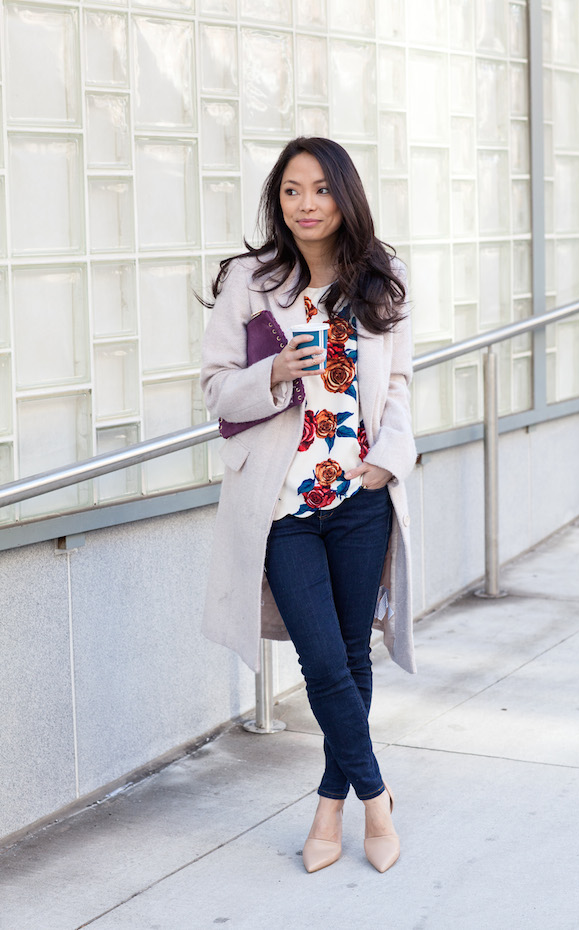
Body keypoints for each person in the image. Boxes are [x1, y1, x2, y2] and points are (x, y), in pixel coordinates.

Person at [199, 136, 416, 874]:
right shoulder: (249, 282)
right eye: (292, 190)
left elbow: (402, 385)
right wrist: (270, 373)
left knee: (351, 657)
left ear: (343, 195)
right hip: (282, 506)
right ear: (278, 199)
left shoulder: (382, 280)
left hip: (360, 498)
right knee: (322, 662)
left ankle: (329, 809)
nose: (306, 204)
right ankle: (378, 801)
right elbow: (214, 389)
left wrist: (388, 462)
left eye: (320, 189)